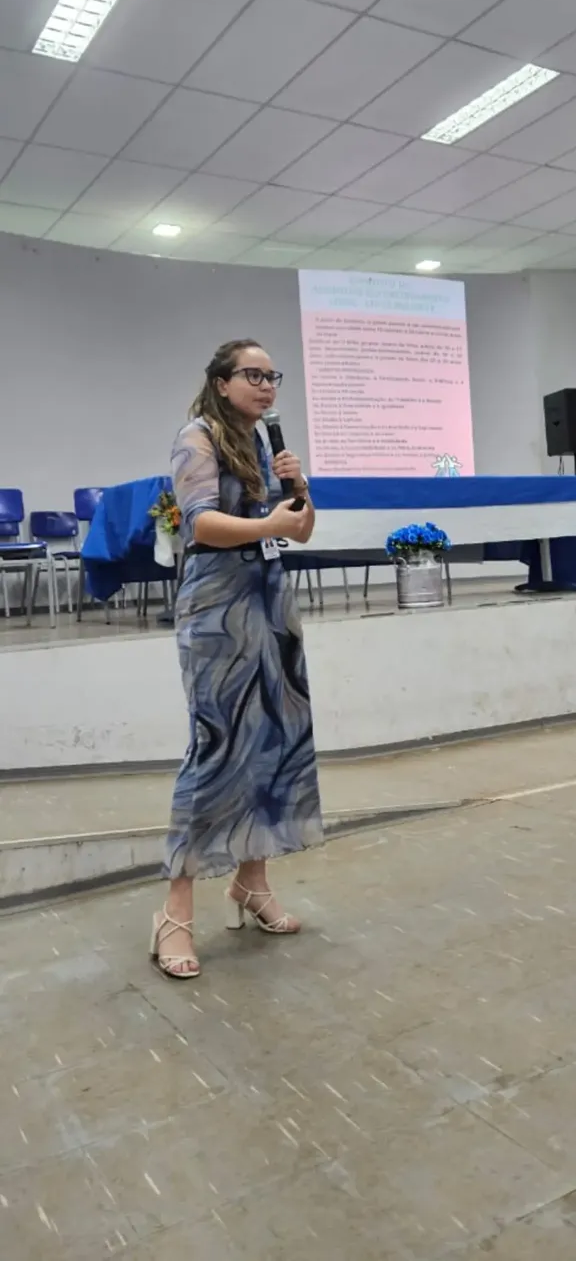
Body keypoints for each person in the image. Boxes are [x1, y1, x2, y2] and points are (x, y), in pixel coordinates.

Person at [150, 339, 323, 979]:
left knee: (273, 743)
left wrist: (298, 488)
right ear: (222, 382)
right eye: (253, 374)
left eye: (272, 375)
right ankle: (174, 912)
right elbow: (200, 524)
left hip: (270, 603)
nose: (266, 384)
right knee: (216, 749)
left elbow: (301, 528)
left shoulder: (265, 446)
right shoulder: (196, 438)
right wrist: (270, 524)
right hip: (217, 609)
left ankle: (253, 884)